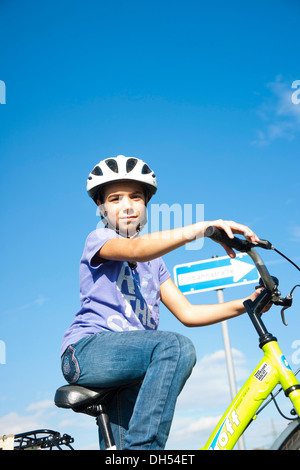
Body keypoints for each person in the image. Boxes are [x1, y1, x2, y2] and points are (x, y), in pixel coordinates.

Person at [60, 154, 266, 450]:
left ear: (146, 204)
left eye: (136, 197)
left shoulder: (155, 264)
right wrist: (202, 228)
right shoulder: (99, 238)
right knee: (174, 347)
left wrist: (248, 303)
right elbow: (136, 248)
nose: (127, 205)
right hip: (87, 352)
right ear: (101, 208)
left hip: (130, 371)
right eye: (115, 199)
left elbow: (188, 313)